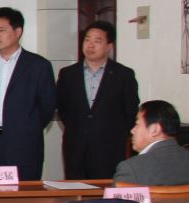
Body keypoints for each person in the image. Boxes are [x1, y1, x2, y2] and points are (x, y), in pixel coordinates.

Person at [0, 7, 56, 181]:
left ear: (18, 32)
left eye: (2, 30)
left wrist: (26, 127)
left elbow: (47, 108)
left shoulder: (39, 66)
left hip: (24, 146)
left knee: (23, 195)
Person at [55, 21, 139, 180]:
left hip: (110, 149)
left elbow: (130, 112)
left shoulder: (123, 75)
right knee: (75, 189)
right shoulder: (68, 74)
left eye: (97, 41)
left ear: (109, 46)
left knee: (105, 190)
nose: (90, 45)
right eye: (87, 40)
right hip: (76, 147)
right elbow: (63, 109)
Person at [113, 100, 189, 187]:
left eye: (137, 124)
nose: (132, 130)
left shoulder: (131, 168)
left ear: (154, 129)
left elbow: (116, 202)